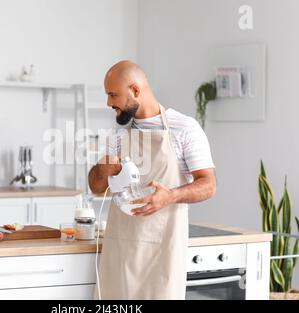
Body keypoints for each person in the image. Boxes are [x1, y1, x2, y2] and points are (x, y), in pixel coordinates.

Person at [88, 60, 217, 299]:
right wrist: (104, 168)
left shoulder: (185, 129)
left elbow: (208, 184)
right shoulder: (118, 136)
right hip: (121, 252)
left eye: (113, 95)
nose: (109, 103)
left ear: (135, 90)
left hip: (163, 252)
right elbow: (96, 187)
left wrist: (171, 196)